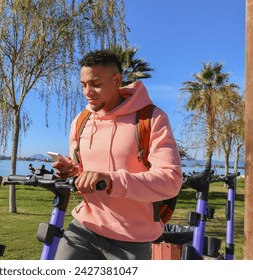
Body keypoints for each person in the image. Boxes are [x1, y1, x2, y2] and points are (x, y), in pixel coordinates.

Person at [52, 49, 182, 260]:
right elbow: (84, 171)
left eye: (95, 83)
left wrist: (111, 180)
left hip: (132, 240)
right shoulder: (81, 120)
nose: (87, 92)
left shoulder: (151, 118)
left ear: (117, 80)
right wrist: (70, 171)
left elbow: (170, 180)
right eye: (83, 85)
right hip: (85, 228)